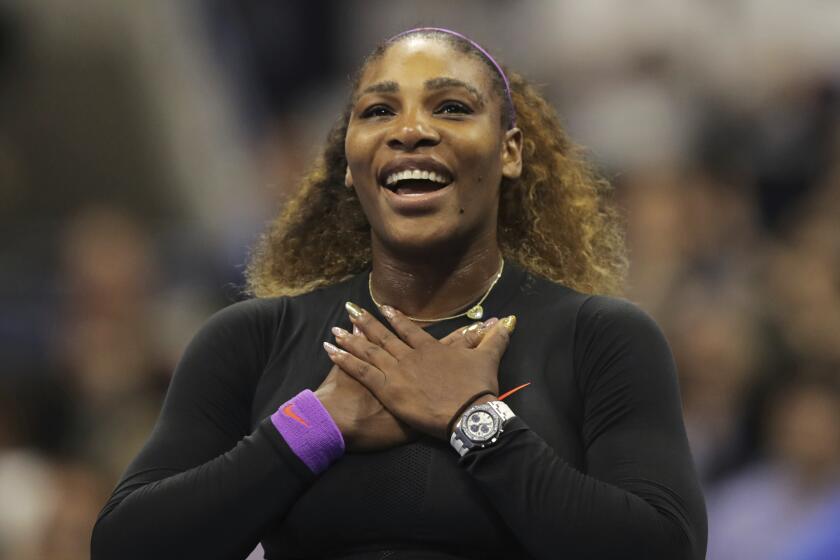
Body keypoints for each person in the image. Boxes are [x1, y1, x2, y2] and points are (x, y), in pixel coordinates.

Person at [91, 27, 707, 560]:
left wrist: (473, 420)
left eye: (452, 108)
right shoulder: (252, 340)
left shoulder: (600, 339)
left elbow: (662, 547)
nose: (411, 130)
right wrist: (316, 425)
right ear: (349, 158)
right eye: (380, 111)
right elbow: (128, 545)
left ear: (510, 152)